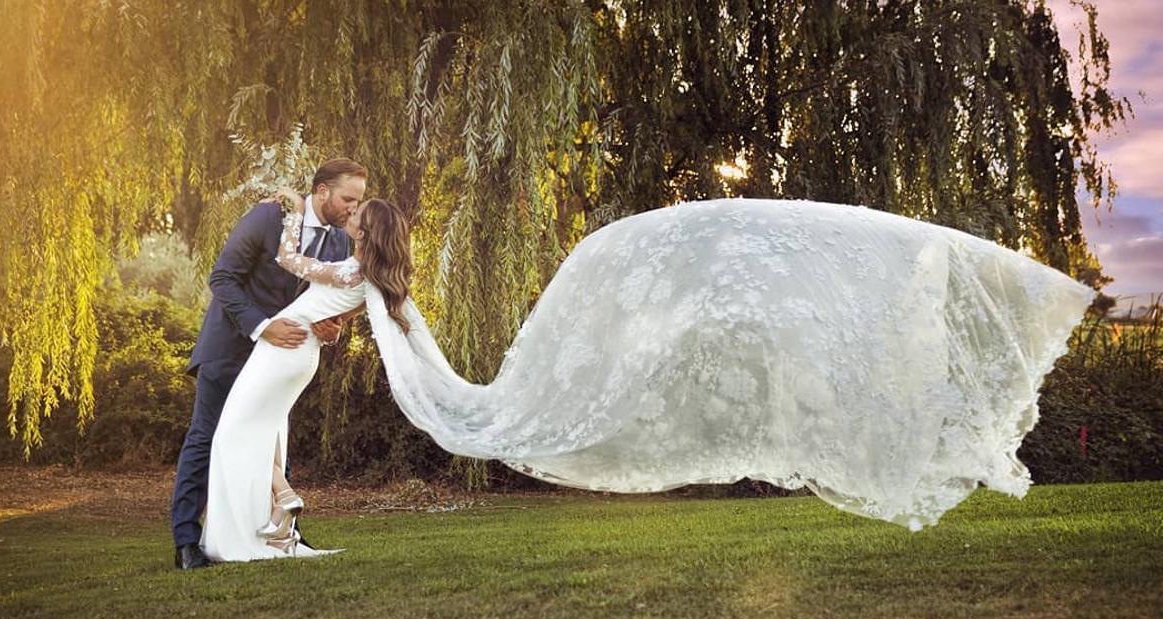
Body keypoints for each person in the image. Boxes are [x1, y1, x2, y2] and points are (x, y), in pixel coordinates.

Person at [205, 194, 1096, 563]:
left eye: (359, 223)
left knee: (496, 411)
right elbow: (324, 287)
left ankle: (245, 527)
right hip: (353, 359)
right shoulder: (386, 283)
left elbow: (305, 271)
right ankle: (250, 525)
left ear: (369, 238)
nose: (352, 230)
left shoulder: (364, 278)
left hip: (378, 367)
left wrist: (281, 224)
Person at [169, 158, 368, 570]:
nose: (353, 208)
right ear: (322, 190)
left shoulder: (339, 244)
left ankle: (280, 534)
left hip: (283, 357)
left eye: (359, 201)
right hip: (232, 345)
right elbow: (222, 277)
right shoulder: (268, 216)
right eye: (348, 198)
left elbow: (319, 302)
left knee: (276, 441)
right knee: (206, 437)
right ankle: (186, 541)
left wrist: (331, 328)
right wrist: (262, 327)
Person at [200, 193, 411, 562]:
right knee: (268, 430)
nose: (351, 213)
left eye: (357, 213)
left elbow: (287, 260)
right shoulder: (367, 278)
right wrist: (329, 326)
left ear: (364, 233)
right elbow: (333, 318)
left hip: (283, 348)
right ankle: (279, 532)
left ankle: (283, 497)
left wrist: (297, 210)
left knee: (231, 432)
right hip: (303, 352)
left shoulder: (349, 271)